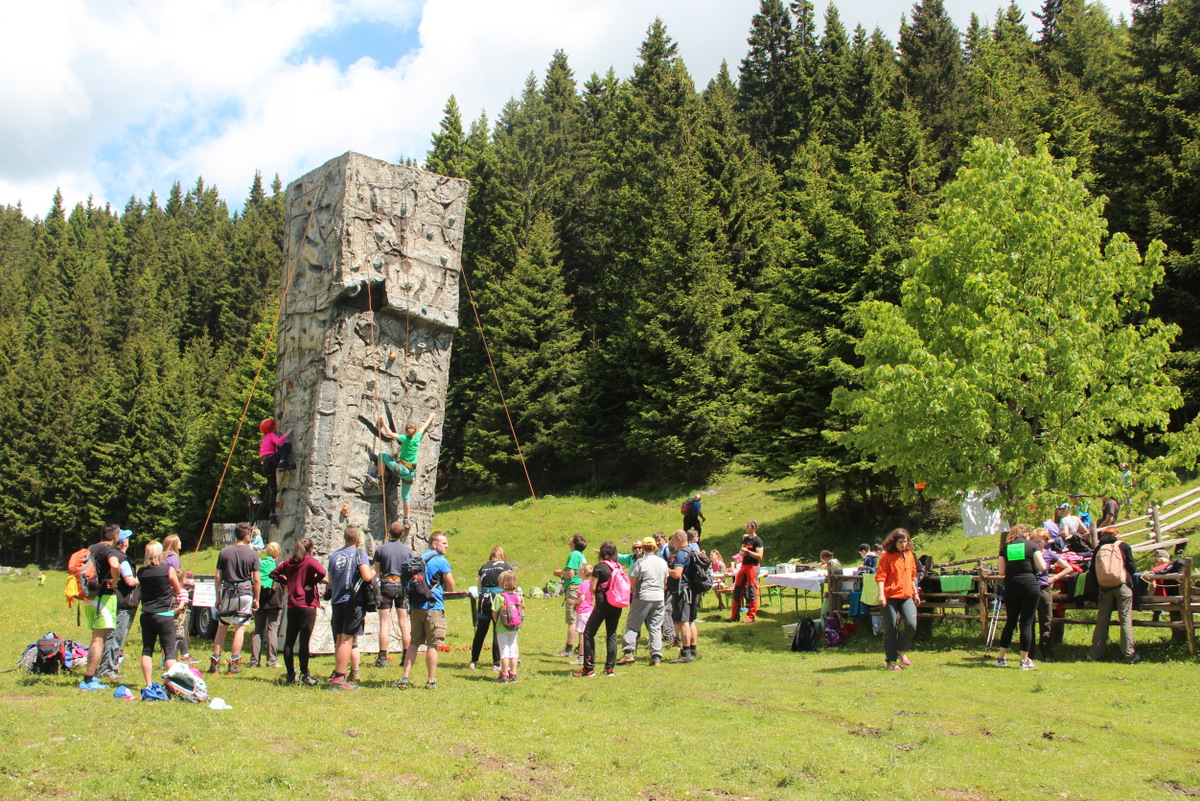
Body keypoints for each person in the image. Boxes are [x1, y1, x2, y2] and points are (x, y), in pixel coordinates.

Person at [396, 531, 455, 690]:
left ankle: (405, 677)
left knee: (414, 642)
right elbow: (451, 585)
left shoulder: (419, 559)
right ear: (434, 544)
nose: (447, 546)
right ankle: (430, 680)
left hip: (416, 606)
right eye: (444, 543)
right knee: (432, 644)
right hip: (434, 606)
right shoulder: (440, 560)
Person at [269, 537, 326, 685]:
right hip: (307, 604)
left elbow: (273, 574)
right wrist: (311, 582)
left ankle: (290, 675)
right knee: (304, 641)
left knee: (289, 640)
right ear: (310, 549)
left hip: (292, 604)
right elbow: (322, 572)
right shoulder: (309, 560)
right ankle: (305, 674)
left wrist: (286, 582)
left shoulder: (289, 561)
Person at [327, 525, 374, 690]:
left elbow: (330, 581)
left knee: (340, 639)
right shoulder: (359, 554)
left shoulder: (334, 556)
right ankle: (340, 679)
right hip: (353, 601)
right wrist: (375, 571)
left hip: (337, 600)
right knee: (348, 640)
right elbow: (367, 576)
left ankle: (338, 674)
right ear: (359, 539)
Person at [994, 524, 1047, 670]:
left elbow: (1001, 571)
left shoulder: (1006, 547)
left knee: (1010, 622)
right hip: (1029, 586)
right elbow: (1042, 567)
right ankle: (1024, 660)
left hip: (1011, 586)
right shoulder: (1031, 545)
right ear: (1027, 534)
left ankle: (1000, 657)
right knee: (1026, 623)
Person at [210, 522, 261, 675]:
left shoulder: (224, 552)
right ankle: (234, 663)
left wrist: (218, 596)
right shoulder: (253, 554)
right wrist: (257, 598)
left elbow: (218, 575)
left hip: (228, 591)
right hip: (245, 593)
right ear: (246, 536)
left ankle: (215, 663)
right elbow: (256, 579)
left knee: (222, 627)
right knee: (240, 627)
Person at [79, 524, 124, 691]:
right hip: (104, 598)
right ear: (115, 537)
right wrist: (116, 579)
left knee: (95, 637)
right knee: (99, 639)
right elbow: (115, 565)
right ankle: (88, 679)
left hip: (89, 596)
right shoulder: (110, 551)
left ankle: (92, 675)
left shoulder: (92, 548)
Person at [1086, 526, 1140, 664]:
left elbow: (1092, 571)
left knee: (1102, 620)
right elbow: (1132, 568)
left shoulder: (1098, 548)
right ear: (1117, 534)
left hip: (1104, 588)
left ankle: (1094, 654)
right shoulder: (1123, 546)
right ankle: (1129, 655)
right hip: (1122, 586)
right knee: (1125, 620)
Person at [136, 541, 184, 688]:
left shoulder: (141, 572)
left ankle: (148, 683)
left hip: (146, 613)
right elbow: (177, 590)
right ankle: (172, 685)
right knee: (169, 650)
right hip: (164, 614)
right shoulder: (168, 570)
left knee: (147, 649)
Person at [575, 541, 625, 678]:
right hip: (617, 603)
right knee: (612, 634)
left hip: (603, 604)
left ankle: (589, 668)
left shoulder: (600, 567)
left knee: (588, 633)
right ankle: (610, 668)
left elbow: (592, 588)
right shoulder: (618, 566)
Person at [374, 412, 434, 522]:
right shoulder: (417, 438)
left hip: (402, 469)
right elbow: (424, 427)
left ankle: (379, 478)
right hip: (411, 473)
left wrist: (382, 421)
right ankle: (406, 518)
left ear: (406, 431)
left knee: (381, 455)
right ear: (415, 431)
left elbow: (389, 433)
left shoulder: (405, 438)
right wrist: (431, 417)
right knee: (406, 495)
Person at [617, 537, 668, 667]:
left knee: (632, 625)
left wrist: (636, 589)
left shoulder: (640, 562)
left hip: (643, 596)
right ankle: (656, 656)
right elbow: (665, 581)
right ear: (655, 548)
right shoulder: (662, 562)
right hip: (659, 597)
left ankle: (628, 652)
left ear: (643, 548)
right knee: (655, 627)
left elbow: (632, 582)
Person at [876, 528, 920, 671]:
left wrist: (915, 593)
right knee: (892, 628)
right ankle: (891, 661)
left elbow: (912, 575)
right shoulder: (887, 557)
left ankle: (901, 649)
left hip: (906, 595)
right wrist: (881, 595)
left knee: (911, 624)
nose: (903, 544)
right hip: (889, 596)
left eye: (905, 541)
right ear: (894, 542)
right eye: (900, 542)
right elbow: (881, 577)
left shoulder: (909, 555)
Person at [99, 529, 140, 680]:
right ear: (123, 541)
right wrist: (141, 579)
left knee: (111, 635)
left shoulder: (112, 556)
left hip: (113, 600)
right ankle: (108, 669)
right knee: (116, 636)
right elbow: (129, 581)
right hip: (123, 602)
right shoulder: (121, 559)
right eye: (127, 538)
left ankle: (108, 666)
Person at [373, 521, 414, 668]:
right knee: (403, 622)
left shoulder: (380, 550)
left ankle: (382, 657)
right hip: (401, 586)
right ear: (401, 534)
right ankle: (406, 655)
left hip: (387, 585)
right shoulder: (407, 551)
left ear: (389, 532)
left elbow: (377, 572)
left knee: (384, 622)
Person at [470, 546, 513, 671]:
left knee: (481, 631)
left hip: (484, 600)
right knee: (497, 630)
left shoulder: (484, 567)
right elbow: (509, 584)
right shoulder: (505, 566)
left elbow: (479, 587)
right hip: (498, 600)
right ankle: (496, 662)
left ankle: (473, 660)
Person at [552, 534, 587, 658]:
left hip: (573, 589)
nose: (569, 539)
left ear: (574, 543)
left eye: (572, 539)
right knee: (580, 618)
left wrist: (559, 573)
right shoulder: (581, 556)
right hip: (581, 588)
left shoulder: (574, 555)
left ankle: (568, 648)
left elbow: (571, 574)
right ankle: (580, 647)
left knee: (572, 620)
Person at [162, 535, 195, 664]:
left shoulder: (163, 557)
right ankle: (184, 653)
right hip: (175, 593)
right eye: (179, 541)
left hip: (165, 594)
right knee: (181, 624)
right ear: (174, 544)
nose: (181, 542)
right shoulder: (174, 559)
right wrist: (187, 581)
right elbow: (175, 576)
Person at [667, 530, 698, 663]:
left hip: (682, 591)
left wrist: (666, 569)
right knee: (691, 620)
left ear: (679, 539)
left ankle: (685, 653)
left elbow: (677, 574)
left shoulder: (681, 554)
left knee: (683, 621)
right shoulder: (692, 551)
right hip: (692, 590)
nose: (672, 543)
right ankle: (692, 648)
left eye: (673, 540)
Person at [251, 542, 283, 668]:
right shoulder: (279, 564)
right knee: (272, 630)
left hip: (259, 599)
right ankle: (271, 661)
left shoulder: (260, 563)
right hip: (275, 599)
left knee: (258, 630)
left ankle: (254, 661)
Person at [728, 520, 765, 623]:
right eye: (747, 526)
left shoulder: (758, 541)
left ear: (754, 528)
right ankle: (734, 616)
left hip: (753, 566)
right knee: (737, 589)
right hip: (744, 565)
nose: (746, 528)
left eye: (748, 526)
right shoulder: (746, 539)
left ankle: (751, 616)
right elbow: (742, 551)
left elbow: (760, 556)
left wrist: (748, 552)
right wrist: (742, 552)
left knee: (751, 590)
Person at [259, 418, 293, 525]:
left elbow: (273, 445)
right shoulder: (270, 435)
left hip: (265, 465)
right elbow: (279, 442)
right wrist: (288, 433)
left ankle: (272, 513)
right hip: (270, 461)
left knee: (273, 489)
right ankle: (283, 462)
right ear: (272, 427)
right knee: (287, 446)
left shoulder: (264, 438)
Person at [491, 570, 523, 683]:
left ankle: (504, 674)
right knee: (513, 651)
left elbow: (494, 612)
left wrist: (496, 622)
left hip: (502, 628)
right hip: (514, 627)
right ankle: (513, 674)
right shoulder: (517, 595)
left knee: (504, 652)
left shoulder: (500, 597)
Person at [570, 564, 594, 665]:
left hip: (583, 611)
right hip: (589, 610)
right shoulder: (590, 583)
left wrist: (575, 602)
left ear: (583, 573)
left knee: (582, 634)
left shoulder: (583, 584)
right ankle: (588, 655)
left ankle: (582, 656)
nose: (577, 572)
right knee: (588, 634)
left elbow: (582, 598)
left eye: (579, 570)